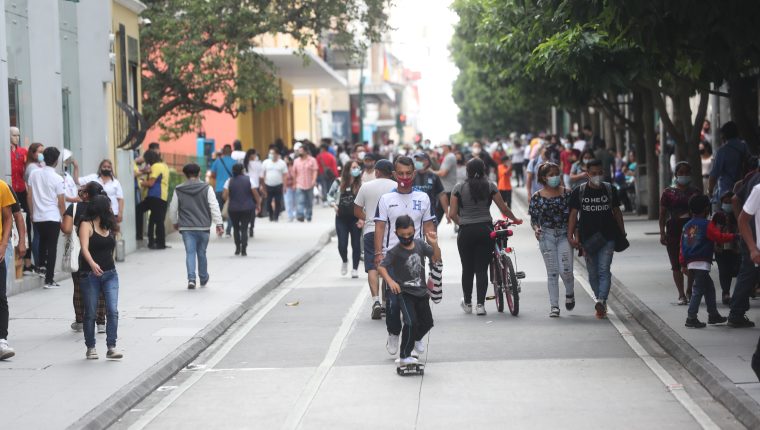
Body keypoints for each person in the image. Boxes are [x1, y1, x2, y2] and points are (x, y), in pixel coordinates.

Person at [375, 156, 436, 355]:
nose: (404, 177)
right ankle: (394, 333)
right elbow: (380, 227)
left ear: (413, 173)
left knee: (419, 304)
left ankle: (417, 336)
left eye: (408, 173)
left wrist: (434, 252)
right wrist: (378, 254)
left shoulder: (423, 198)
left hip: (416, 259)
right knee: (394, 303)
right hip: (392, 259)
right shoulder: (386, 199)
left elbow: (428, 227)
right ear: (394, 174)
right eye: (400, 173)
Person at [449, 158, 522, 315]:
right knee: (481, 269)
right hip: (485, 230)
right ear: (484, 170)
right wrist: (515, 219)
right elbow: (503, 207)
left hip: (466, 232)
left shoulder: (459, 187)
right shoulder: (490, 186)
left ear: (467, 171)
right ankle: (481, 306)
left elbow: (452, 214)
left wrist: (463, 223)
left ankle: (468, 303)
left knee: (467, 269)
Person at [377, 215, 441, 369]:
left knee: (427, 323)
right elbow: (381, 267)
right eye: (402, 235)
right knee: (411, 322)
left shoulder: (420, 244)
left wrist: (434, 244)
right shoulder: (395, 251)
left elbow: (436, 258)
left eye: (409, 234)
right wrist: (390, 281)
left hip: (421, 292)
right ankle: (405, 355)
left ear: (415, 231)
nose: (406, 237)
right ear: (396, 233)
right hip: (404, 294)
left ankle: (413, 339)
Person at [568, 159, 627, 319]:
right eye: (593, 173)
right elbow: (573, 215)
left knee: (604, 269)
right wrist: (571, 235)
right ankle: (600, 301)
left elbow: (617, 212)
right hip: (587, 240)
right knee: (592, 274)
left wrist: (622, 232)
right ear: (587, 173)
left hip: (608, 237)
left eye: (600, 173)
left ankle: (602, 299)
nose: (597, 176)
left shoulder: (610, 189)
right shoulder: (578, 191)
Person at [679, 195, 734, 328]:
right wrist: (735, 236)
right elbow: (719, 237)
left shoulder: (687, 225)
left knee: (709, 288)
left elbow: (682, 245)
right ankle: (691, 317)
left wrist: (682, 263)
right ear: (706, 209)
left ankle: (713, 315)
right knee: (698, 290)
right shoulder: (707, 225)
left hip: (691, 262)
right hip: (702, 262)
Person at [79, 195, 122, 360]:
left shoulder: (108, 226)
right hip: (90, 274)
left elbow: (110, 248)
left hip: (110, 273)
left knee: (113, 311)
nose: (111, 210)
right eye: (109, 207)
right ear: (102, 208)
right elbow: (84, 249)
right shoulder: (86, 224)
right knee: (90, 312)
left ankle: (112, 346)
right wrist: (92, 264)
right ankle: (90, 346)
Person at [529, 162, 575, 317]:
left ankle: (570, 293)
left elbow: (574, 217)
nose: (555, 177)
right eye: (551, 174)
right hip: (546, 236)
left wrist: (574, 234)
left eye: (557, 173)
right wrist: (536, 229)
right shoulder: (537, 197)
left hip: (564, 235)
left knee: (566, 270)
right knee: (552, 272)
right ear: (543, 178)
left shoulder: (568, 193)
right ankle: (554, 306)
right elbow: (534, 219)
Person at [61, 182, 107, 333]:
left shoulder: (74, 207)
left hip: (80, 254)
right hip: (100, 252)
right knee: (100, 287)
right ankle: (101, 322)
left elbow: (66, 229)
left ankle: (80, 320)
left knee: (79, 287)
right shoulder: (103, 206)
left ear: (86, 194)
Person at [354, 159, 396, 319]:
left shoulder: (366, 186)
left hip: (371, 231)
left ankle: (376, 301)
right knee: (387, 266)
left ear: (377, 172)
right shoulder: (395, 186)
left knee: (372, 266)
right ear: (391, 172)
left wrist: (369, 218)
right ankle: (387, 303)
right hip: (390, 232)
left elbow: (356, 210)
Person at [659, 161, 701, 305]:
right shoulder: (668, 192)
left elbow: (701, 213)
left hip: (691, 231)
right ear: (676, 174)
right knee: (676, 264)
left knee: (691, 262)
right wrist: (662, 233)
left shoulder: (695, 192)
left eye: (686, 173)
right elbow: (662, 214)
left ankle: (690, 290)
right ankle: (681, 294)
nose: (683, 175)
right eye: (680, 173)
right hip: (673, 230)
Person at [27, 147, 65, 288]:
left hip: (38, 216)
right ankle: (49, 279)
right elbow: (61, 202)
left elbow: (29, 196)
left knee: (42, 241)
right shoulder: (58, 178)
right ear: (56, 161)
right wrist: (64, 217)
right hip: (52, 216)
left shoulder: (34, 174)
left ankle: (41, 267)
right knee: (52, 246)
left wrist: (32, 213)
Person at [328, 161, 363, 277]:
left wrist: (363, 218)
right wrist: (333, 205)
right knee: (342, 244)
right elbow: (330, 195)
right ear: (348, 169)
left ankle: (355, 269)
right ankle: (344, 261)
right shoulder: (338, 182)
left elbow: (365, 202)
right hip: (341, 218)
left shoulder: (361, 184)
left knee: (356, 244)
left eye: (357, 167)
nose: (356, 169)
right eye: (353, 167)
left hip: (356, 218)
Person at [0, 179, 20, 359]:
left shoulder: (2, 186)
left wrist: (4, 244)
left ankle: (1, 340)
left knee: (0, 296)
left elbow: (9, 218)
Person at [223, 163, 262, 256]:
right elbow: (255, 194)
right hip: (247, 208)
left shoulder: (229, 181)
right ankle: (244, 249)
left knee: (236, 228)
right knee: (244, 228)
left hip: (233, 208)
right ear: (242, 170)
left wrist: (231, 199)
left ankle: (237, 248)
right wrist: (258, 204)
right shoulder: (249, 180)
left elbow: (224, 196)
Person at [709, 121, 749, 204]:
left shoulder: (722, 151)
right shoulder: (745, 147)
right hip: (744, 190)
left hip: (726, 193)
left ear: (724, 135)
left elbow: (714, 174)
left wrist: (710, 191)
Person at [713, 191, 741, 304]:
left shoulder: (739, 214)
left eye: (730, 202)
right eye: (725, 202)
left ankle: (742, 293)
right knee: (724, 271)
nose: (728, 205)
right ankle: (726, 293)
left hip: (737, 248)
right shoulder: (718, 215)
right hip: (721, 249)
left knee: (739, 270)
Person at [79, 159, 125, 228]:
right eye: (104, 166)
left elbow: (120, 199)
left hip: (112, 212)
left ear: (111, 169)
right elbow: (77, 181)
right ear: (100, 168)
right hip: (96, 211)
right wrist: (76, 167)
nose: (106, 168)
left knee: (111, 233)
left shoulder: (116, 182)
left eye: (108, 167)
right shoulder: (93, 178)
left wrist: (120, 213)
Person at [140, 150, 170, 249]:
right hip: (163, 197)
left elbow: (151, 183)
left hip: (154, 196)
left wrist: (141, 182)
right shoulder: (164, 166)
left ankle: (157, 242)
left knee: (138, 210)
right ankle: (155, 242)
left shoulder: (155, 166)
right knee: (157, 220)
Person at [23, 142, 44, 274]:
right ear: (32, 153)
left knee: (41, 236)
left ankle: (41, 262)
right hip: (36, 205)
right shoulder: (31, 167)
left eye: (43, 151)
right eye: (39, 152)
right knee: (37, 235)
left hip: (41, 204)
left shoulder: (40, 165)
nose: (41, 154)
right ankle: (37, 263)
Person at [412, 152, 448, 225]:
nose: (418, 162)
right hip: (414, 214)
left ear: (427, 161)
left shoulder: (434, 176)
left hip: (431, 213)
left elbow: (441, 194)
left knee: (432, 235)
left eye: (420, 160)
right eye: (416, 160)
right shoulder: (411, 176)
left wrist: (447, 212)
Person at [210, 144, 236, 236]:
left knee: (219, 211)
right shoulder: (235, 162)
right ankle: (228, 231)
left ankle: (220, 230)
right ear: (231, 152)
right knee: (231, 210)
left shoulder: (217, 161)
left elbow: (212, 175)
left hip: (219, 189)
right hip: (231, 189)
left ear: (223, 152)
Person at [261, 148, 288, 222]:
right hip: (268, 185)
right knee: (268, 201)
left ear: (277, 154)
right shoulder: (266, 162)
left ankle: (276, 216)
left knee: (278, 201)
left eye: (272, 153)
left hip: (278, 185)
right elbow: (263, 174)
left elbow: (285, 175)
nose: (271, 155)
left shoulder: (282, 163)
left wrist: (285, 186)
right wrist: (262, 186)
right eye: (270, 153)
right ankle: (270, 214)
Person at [293, 144, 318, 222]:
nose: (299, 152)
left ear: (306, 151)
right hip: (299, 184)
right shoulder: (296, 161)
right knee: (300, 201)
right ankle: (300, 215)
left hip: (309, 184)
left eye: (301, 151)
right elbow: (294, 173)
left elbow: (315, 171)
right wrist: (294, 183)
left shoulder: (312, 160)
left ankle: (308, 215)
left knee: (309, 202)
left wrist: (314, 180)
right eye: (299, 151)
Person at [433, 142, 457, 224]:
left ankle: (432, 231)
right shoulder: (447, 157)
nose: (441, 148)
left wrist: (430, 172)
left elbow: (443, 173)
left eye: (442, 146)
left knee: (438, 214)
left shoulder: (449, 157)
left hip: (448, 189)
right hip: (447, 189)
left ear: (446, 147)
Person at [243, 149, 263, 236]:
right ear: (252, 155)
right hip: (255, 187)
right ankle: (251, 227)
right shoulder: (258, 164)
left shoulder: (244, 164)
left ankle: (246, 225)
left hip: (245, 188)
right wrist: (263, 187)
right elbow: (261, 177)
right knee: (253, 208)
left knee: (245, 208)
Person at [283, 155, 297, 222]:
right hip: (286, 187)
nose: (285, 161)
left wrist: (294, 184)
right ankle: (290, 215)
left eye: (286, 160)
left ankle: (294, 213)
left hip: (293, 186)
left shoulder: (292, 168)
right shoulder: (283, 169)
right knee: (288, 202)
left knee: (294, 201)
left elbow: (294, 177)